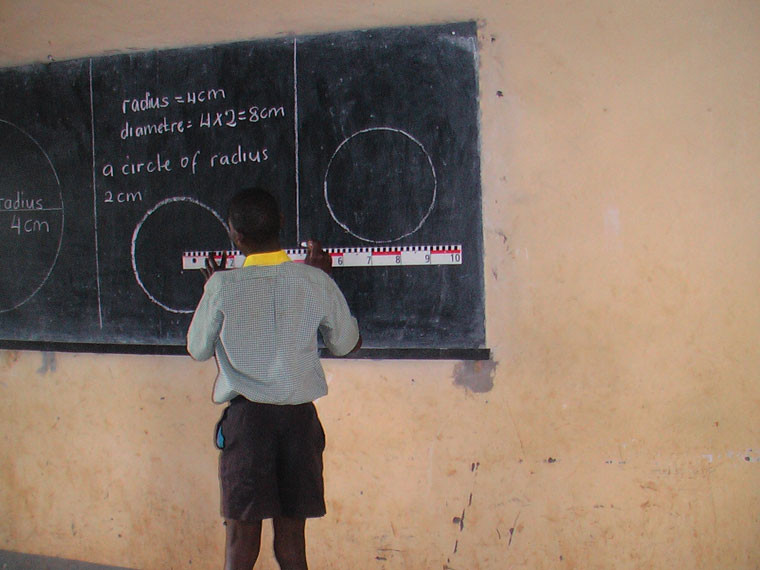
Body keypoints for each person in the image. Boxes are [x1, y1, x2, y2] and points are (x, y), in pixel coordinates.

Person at [187, 186, 361, 570]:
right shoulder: (315, 281)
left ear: (234, 234)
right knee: (292, 541)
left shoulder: (221, 286)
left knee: (240, 541)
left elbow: (198, 349)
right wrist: (325, 284)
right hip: (298, 423)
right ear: (282, 224)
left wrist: (215, 292)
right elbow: (347, 344)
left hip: (248, 425)